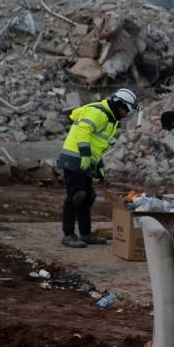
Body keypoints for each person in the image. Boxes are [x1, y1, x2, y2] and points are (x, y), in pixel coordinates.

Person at [57, 88, 138, 248]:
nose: (126, 114)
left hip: (86, 158)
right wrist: (85, 154)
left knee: (88, 196)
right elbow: (83, 130)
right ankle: (68, 234)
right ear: (118, 104)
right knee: (76, 195)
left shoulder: (111, 119)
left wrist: (98, 164)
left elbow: (97, 143)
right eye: (126, 109)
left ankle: (85, 233)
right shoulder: (98, 112)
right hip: (75, 157)